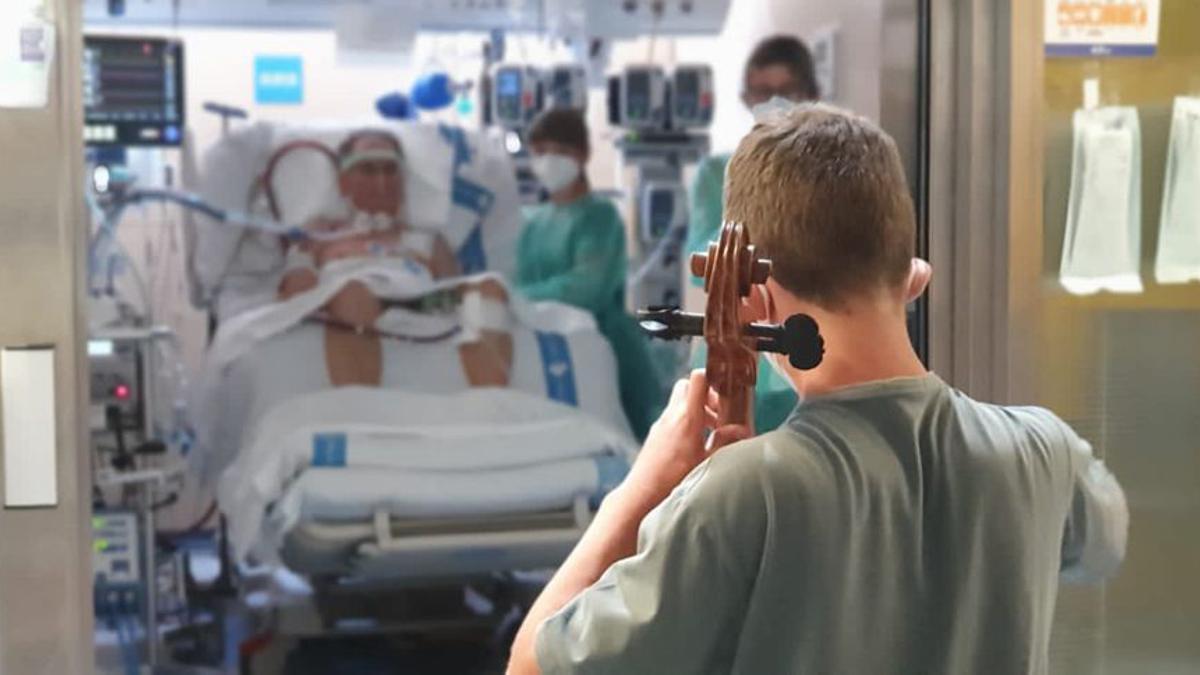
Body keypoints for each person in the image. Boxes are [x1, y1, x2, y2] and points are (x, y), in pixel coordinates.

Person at [507, 104, 1128, 674]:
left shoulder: (742, 491)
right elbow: (1102, 544)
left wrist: (643, 489)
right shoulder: (1045, 451)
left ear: (753, 297)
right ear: (914, 277)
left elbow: (531, 664)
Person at [277, 129, 513, 388]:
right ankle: (358, 406)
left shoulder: (426, 239)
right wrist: (300, 256)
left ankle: (491, 398)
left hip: (419, 303)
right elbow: (295, 299)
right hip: (349, 304)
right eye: (368, 169)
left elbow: (451, 291)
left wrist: (467, 298)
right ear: (344, 182)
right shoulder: (321, 235)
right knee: (354, 292)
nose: (382, 180)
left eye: (390, 170)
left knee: (489, 288)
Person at [687, 34, 822, 436]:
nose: (772, 101)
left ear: (809, 94)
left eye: (784, 92)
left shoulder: (828, 173)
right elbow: (702, 263)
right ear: (746, 97)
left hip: (809, 347)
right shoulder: (718, 173)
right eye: (762, 92)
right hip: (735, 343)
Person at [516, 109, 666, 439]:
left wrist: (519, 299)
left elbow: (588, 288)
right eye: (541, 152)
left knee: (629, 443)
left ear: (583, 154)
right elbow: (513, 277)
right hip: (545, 343)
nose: (549, 161)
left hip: (603, 342)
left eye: (561, 152)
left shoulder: (599, 217)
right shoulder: (532, 221)